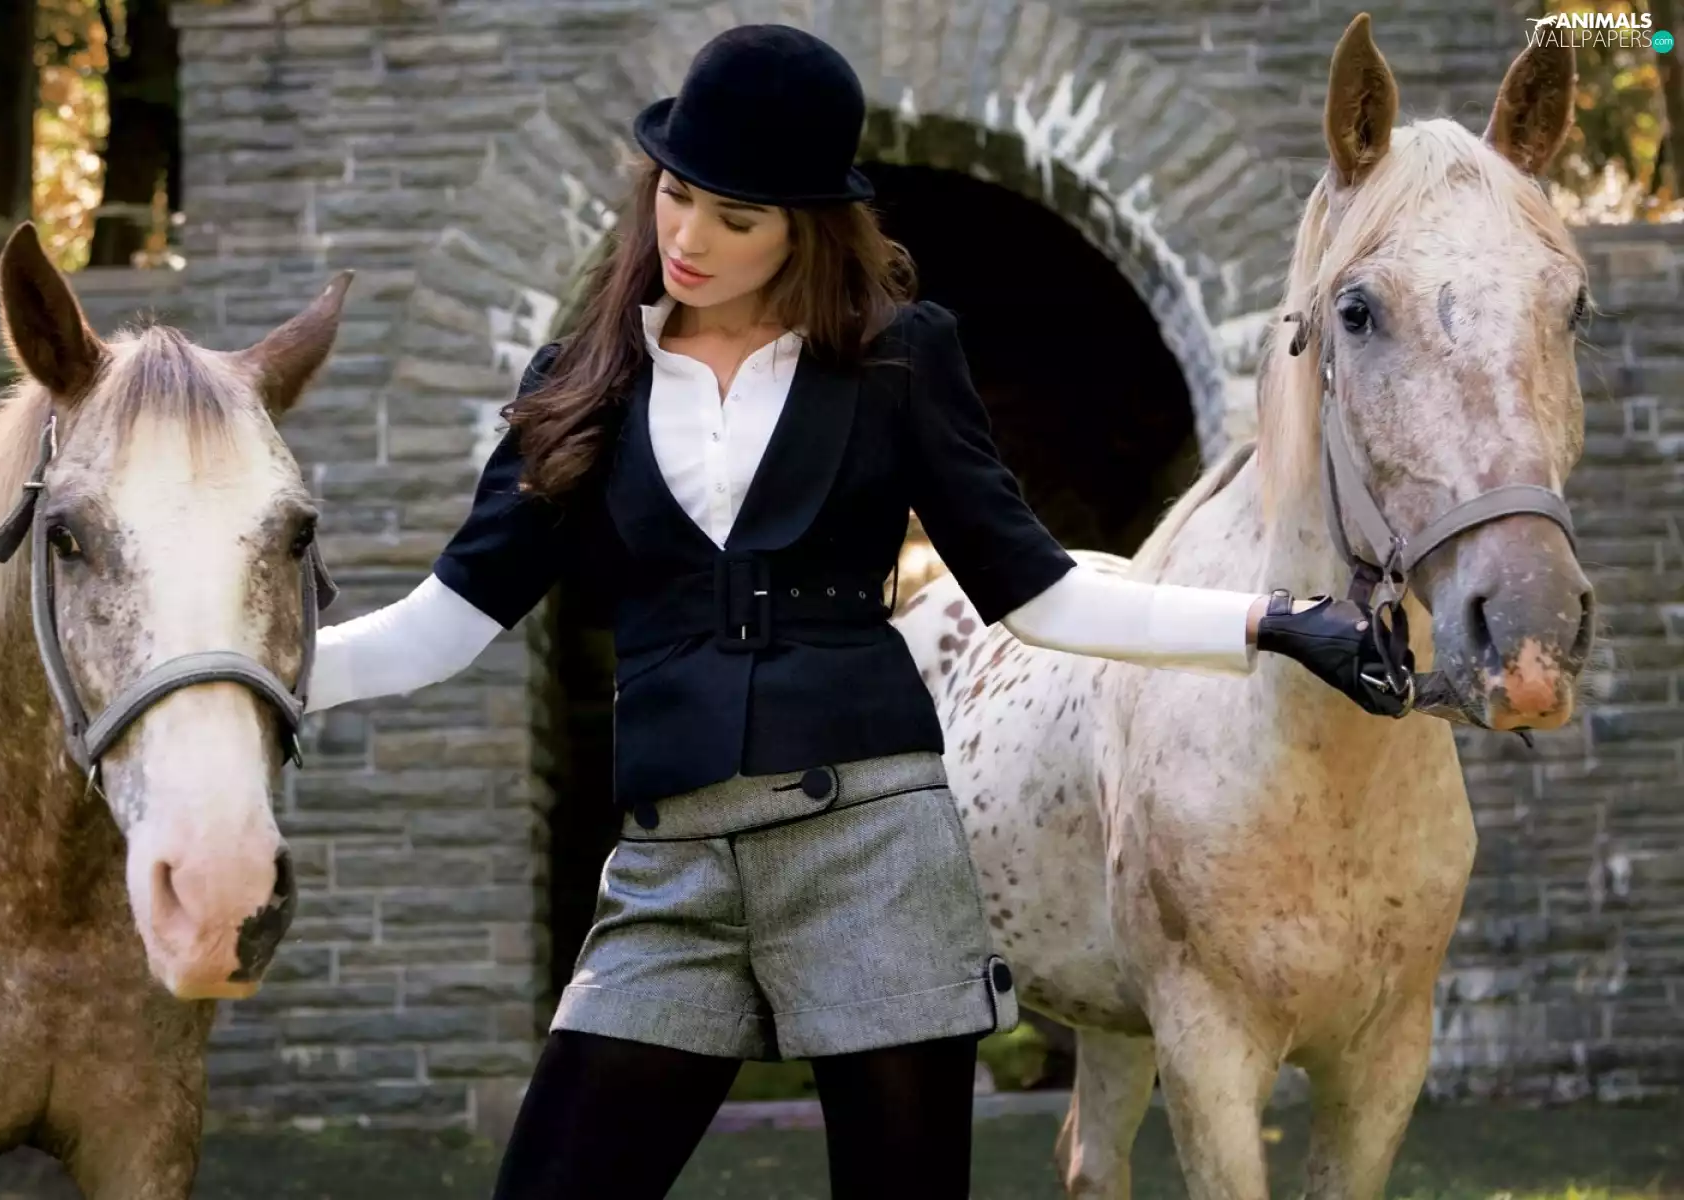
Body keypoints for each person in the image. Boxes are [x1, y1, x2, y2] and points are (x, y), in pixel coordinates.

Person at [303, 23, 1411, 1200]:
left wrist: (1264, 621)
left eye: (737, 219)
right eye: (678, 196)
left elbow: (1037, 592)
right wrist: (250, 671)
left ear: (806, 227)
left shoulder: (897, 360)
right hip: (669, 875)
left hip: (871, 856)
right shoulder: (579, 382)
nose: (688, 237)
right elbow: (448, 619)